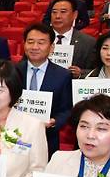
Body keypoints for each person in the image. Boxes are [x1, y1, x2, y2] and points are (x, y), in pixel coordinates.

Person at [16, 24, 72, 157]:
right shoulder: (13, 71)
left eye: (41, 43)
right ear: (24, 45)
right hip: (15, 136)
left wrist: (54, 122)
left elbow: (67, 109)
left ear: (51, 47)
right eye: (30, 42)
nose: (35, 47)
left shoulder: (63, 75)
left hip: (47, 138)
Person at [48, 0, 96, 78]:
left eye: (63, 12)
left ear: (75, 15)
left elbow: (97, 71)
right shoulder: (38, 40)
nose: (57, 16)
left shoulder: (89, 42)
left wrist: (81, 73)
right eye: (54, 12)